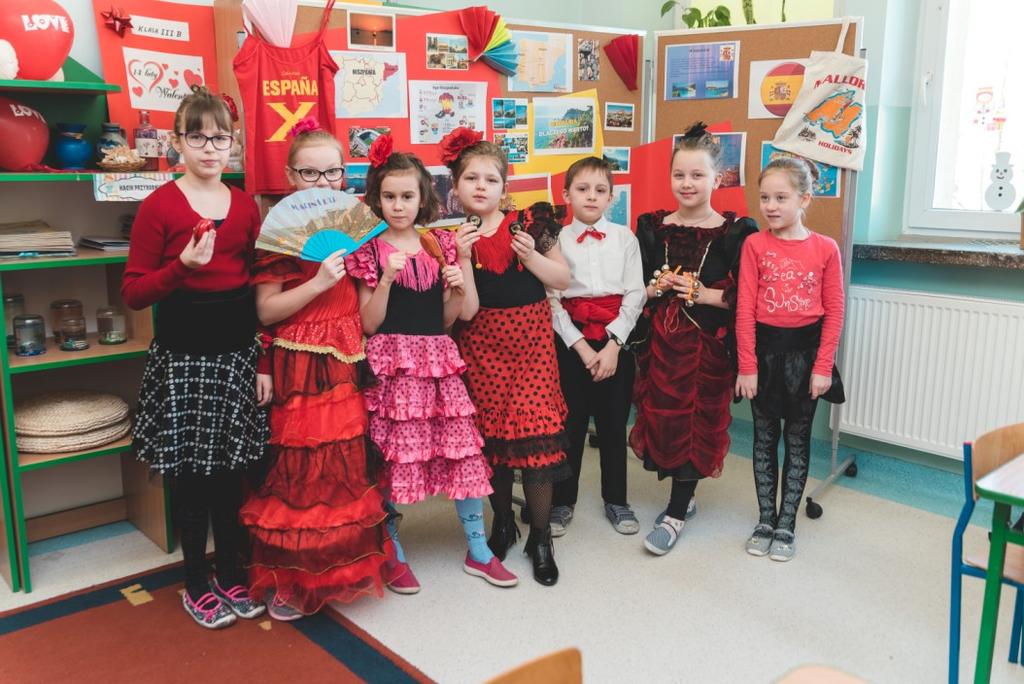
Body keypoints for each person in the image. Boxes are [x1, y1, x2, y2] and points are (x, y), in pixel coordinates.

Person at [122, 86, 269, 628]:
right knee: (190, 476)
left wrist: (261, 361)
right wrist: (182, 264)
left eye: (221, 137)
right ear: (177, 141)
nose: (211, 148)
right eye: (198, 137)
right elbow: (135, 292)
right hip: (183, 359)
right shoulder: (160, 204)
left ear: (233, 143)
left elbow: (257, 286)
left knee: (231, 472)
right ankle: (194, 581)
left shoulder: (245, 203)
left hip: (236, 356)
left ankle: (230, 572)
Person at [347, 135, 518, 589]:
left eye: (407, 196)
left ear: (424, 197)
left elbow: (449, 319)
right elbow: (368, 323)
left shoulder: (436, 243)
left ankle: (478, 550)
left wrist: (457, 286)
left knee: (461, 451)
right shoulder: (369, 249)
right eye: (389, 196)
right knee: (391, 458)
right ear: (376, 198)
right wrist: (385, 279)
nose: (398, 206)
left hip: (438, 359)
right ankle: (391, 549)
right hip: (393, 364)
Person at [239, 117, 391, 620]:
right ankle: (296, 576)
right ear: (289, 174)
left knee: (344, 470)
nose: (324, 184)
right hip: (300, 365)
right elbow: (266, 311)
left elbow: (369, 319)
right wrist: (320, 282)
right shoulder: (278, 232)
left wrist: (382, 280)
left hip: (348, 358)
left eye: (333, 173)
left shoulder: (359, 226)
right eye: (310, 174)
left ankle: (340, 567)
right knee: (301, 473)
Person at [443, 128, 571, 585]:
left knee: (536, 446)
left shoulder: (533, 224)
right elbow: (469, 309)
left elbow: (562, 280)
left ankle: (541, 536)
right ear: (455, 188)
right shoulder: (450, 239)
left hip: (532, 348)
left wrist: (533, 257)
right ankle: (502, 522)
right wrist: (460, 258)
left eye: (491, 179)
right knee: (494, 447)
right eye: (471, 178)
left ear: (504, 187)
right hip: (481, 348)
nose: (481, 186)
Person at [630, 122, 758, 556]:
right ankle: (684, 496)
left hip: (705, 349)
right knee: (664, 422)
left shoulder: (735, 232)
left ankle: (676, 512)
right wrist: (655, 288)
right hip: (660, 348)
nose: (688, 184)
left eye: (698, 175)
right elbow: (634, 287)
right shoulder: (652, 227)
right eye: (680, 175)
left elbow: (749, 296)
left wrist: (706, 294)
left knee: (693, 425)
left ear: (717, 179)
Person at [735, 156, 845, 562]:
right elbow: (744, 308)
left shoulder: (825, 248)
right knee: (764, 439)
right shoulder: (754, 245)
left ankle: (786, 524)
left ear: (805, 199)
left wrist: (822, 369)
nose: (770, 206)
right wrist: (746, 365)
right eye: (764, 197)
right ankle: (765, 518)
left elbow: (834, 310)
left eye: (781, 197)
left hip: (806, 357)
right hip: (763, 356)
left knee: (796, 441)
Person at [550, 156, 646, 539]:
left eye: (600, 190)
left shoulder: (625, 238)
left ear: (612, 197)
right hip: (571, 343)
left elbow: (636, 294)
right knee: (569, 425)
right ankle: (561, 500)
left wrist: (611, 346)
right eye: (582, 188)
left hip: (614, 343)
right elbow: (552, 300)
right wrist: (581, 348)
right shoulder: (554, 240)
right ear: (566, 194)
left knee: (611, 424)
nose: (591, 196)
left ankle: (617, 499)